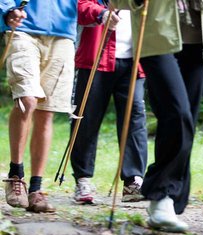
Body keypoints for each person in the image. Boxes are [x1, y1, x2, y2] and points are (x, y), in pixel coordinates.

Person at [113, 0, 203, 232]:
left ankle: (170, 200)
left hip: (199, 37)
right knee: (178, 114)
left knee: (180, 120)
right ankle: (162, 194)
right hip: (157, 36)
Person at [0, 0, 77, 213]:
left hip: (63, 32)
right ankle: (16, 175)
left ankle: (36, 188)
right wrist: (7, 9)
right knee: (27, 100)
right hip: (23, 27)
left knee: (46, 112)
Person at [71, 0, 148, 204]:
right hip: (96, 56)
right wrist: (102, 13)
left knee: (135, 119)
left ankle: (133, 180)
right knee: (86, 118)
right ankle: (83, 179)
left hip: (135, 59)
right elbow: (79, 6)